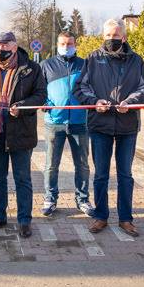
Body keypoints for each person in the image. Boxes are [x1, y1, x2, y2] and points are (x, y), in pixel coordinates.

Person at [74, 18, 144, 237]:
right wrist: (95, 101)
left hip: (128, 126)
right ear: (103, 37)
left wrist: (131, 102)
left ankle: (126, 219)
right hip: (100, 125)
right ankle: (101, 216)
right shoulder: (92, 59)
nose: (111, 39)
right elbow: (80, 87)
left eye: (116, 35)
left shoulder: (136, 60)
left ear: (124, 37)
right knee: (100, 175)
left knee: (125, 175)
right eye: (108, 35)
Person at [0, 31, 47, 239]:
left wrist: (22, 107)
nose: (1, 49)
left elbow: (41, 95)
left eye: (5, 45)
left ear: (15, 46)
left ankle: (24, 220)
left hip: (21, 132)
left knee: (22, 179)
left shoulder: (31, 68)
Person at [40, 31, 93, 217]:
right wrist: (45, 103)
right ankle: (50, 198)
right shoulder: (46, 65)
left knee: (82, 164)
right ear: (57, 44)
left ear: (75, 45)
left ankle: (83, 199)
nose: (66, 46)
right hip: (54, 122)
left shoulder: (84, 64)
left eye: (70, 43)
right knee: (51, 164)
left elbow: (91, 88)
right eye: (63, 43)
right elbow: (39, 90)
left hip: (80, 121)